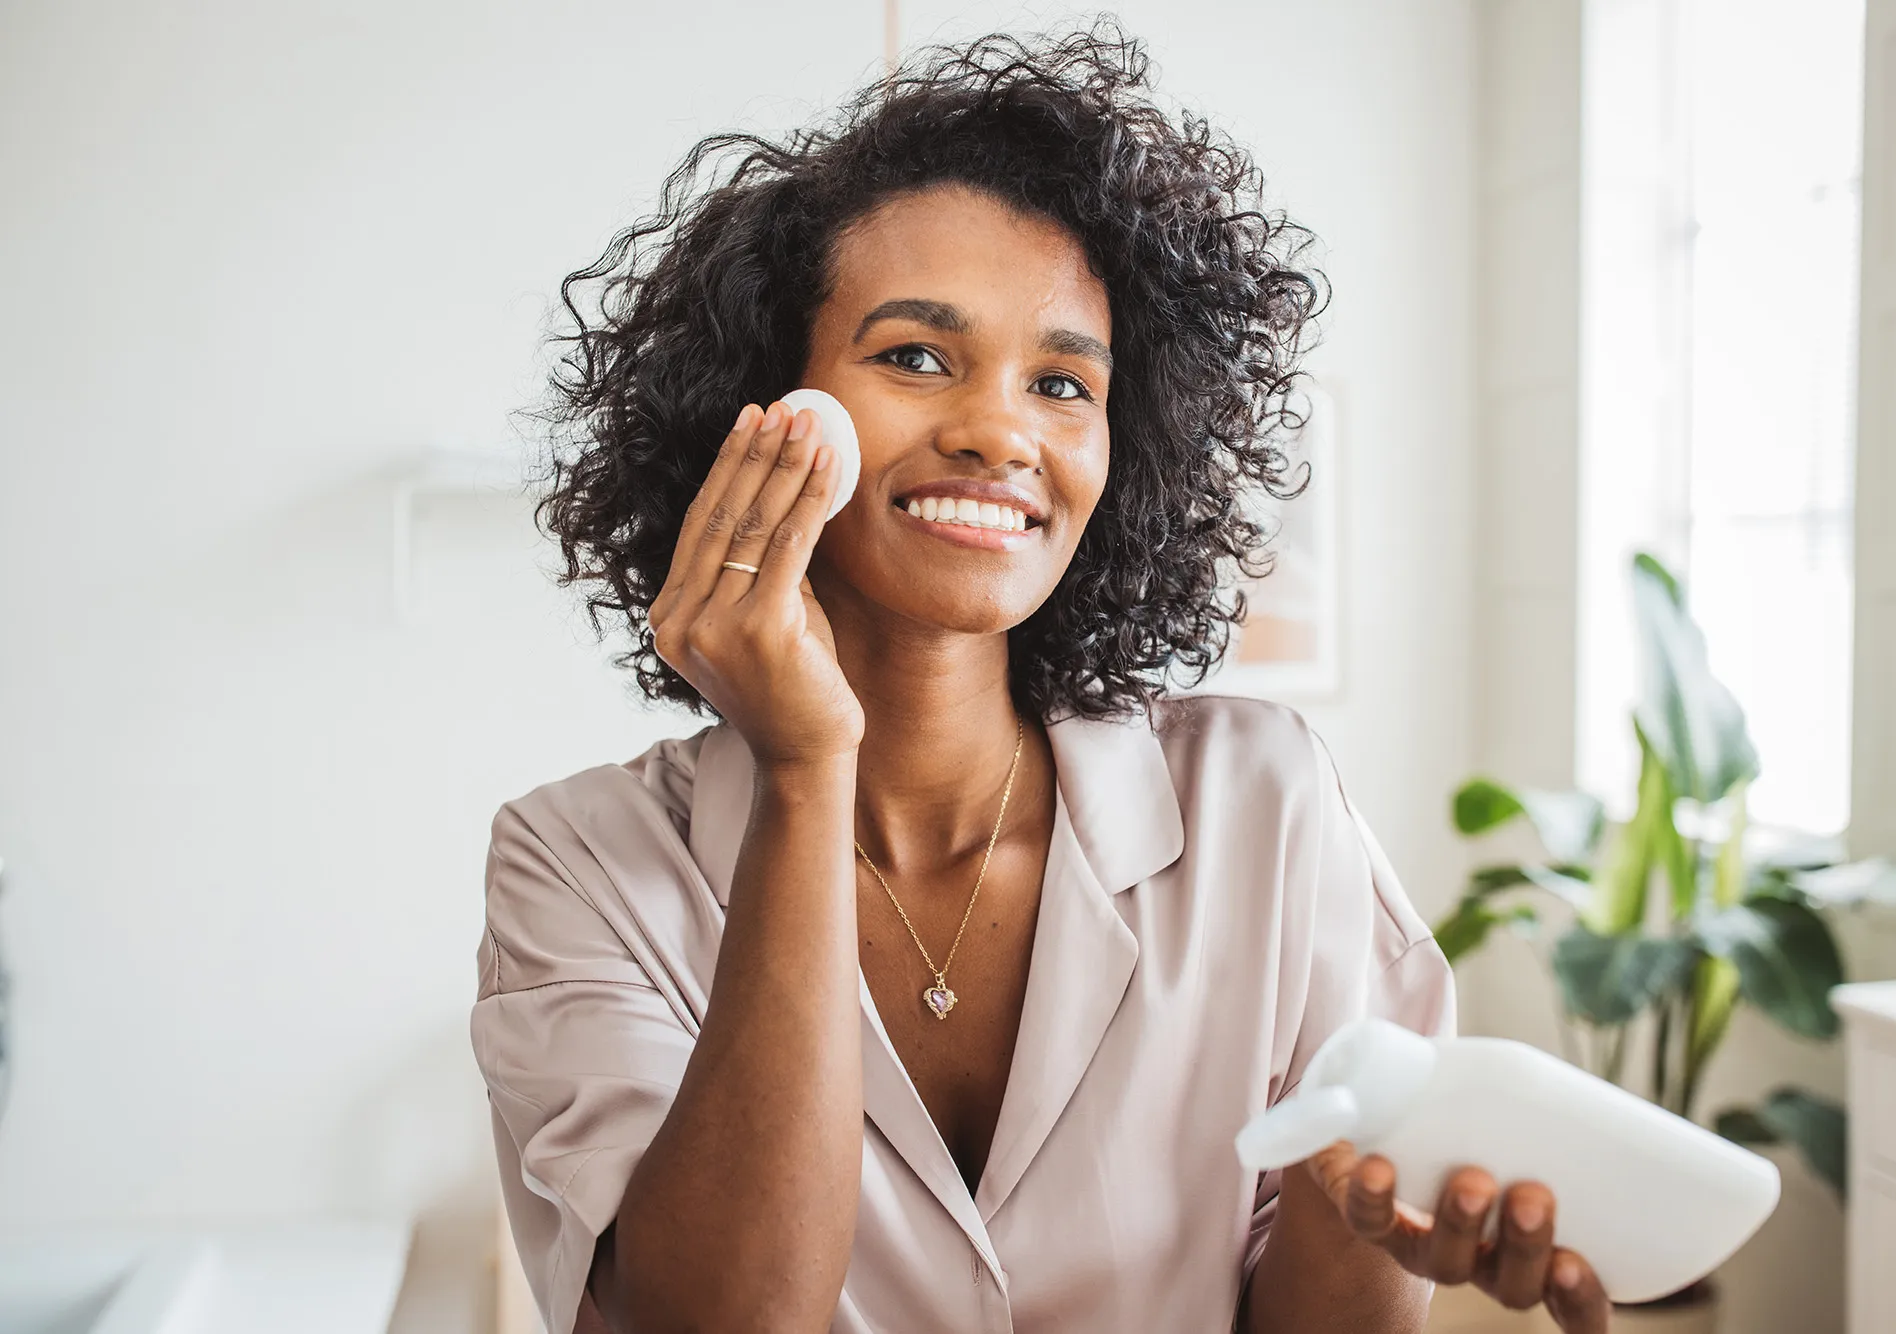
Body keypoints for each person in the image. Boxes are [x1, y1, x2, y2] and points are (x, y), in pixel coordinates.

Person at [470, 21, 1611, 1334]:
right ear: (757, 401)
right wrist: (801, 770)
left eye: (1062, 382)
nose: (999, 430)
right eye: (913, 356)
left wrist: (1365, 1219)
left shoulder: (1267, 806)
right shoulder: (577, 862)